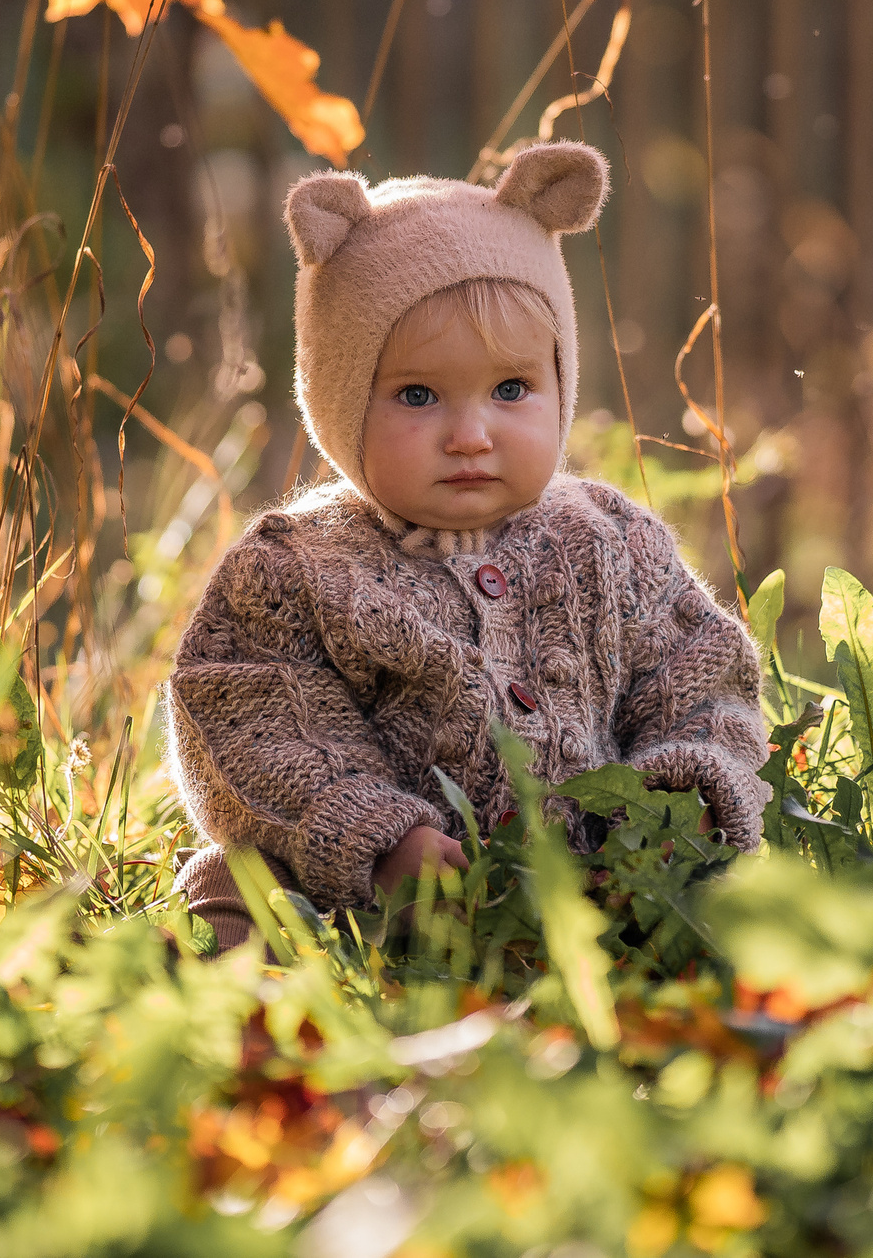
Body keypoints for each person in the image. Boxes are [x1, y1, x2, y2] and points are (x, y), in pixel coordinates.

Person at [167, 141, 769, 953]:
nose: (471, 434)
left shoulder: (612, 541)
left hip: (602, 889)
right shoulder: (295, 570)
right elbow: (256, 724)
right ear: (339, 399)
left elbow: (702, 680)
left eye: (511, 389)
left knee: (738, 912)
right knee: (247, 891)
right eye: (418, 395)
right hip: (379, 897)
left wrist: (674, 803)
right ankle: (250, 995)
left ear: (560, 384)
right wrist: (378, 839)